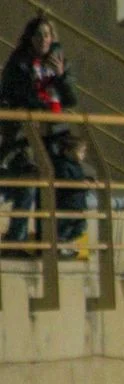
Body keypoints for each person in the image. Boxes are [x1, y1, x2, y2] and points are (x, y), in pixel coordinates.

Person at [0, 14, 78, 250]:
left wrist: (61, 76)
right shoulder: (20, 64)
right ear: (30, 39)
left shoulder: (59, 62)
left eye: (47, 35)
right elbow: (16, 96)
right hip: (24, 137)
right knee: (31, 179)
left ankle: (55, 239)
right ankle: (18, 238)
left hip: (54, 134)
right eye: (38, 35)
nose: (43, 40)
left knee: (65, 181)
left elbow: (71, 99)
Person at [50, 133, 90, 255]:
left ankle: (66, 245)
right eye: (80, 152)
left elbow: (80, 178)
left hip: (78, 203)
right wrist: (81, 184)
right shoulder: (62, 165)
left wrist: (89, 181)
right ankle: (60, 247)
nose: (83, 155)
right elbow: (66, 182)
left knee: (80, 226)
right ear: (68, 151)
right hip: (67, 203)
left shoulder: (76, 165)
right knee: (64, 227)